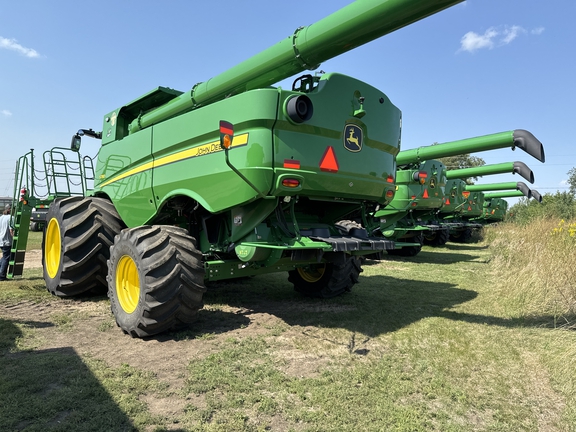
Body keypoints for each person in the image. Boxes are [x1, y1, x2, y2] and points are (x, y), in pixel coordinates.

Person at [0, 203, 14, 281]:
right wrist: (14, 238)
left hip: (0, 240)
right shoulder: (11, 218)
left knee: (4, 257)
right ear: (9, 209)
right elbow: (11, 230)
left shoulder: (1, 217)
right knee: (6, 258)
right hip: (6, 241)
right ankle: (2, 276)